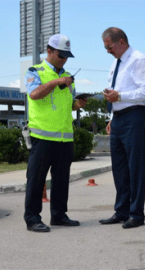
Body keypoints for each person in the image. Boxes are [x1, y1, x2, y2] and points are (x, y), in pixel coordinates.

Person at [24, 34, 87, 233]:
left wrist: (79, 104)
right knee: (36, 179)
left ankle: (59, 215)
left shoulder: (68, 77)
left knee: (61, 180)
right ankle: (32, 218)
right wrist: (56, 82)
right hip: (42, 137)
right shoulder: (36, 71)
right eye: (61, 55)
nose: (64, 59)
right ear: (49, 51)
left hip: (64, 138)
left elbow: (67, 105)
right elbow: (34, 95)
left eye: (67, 56)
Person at [99, 27, 145, 229]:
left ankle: (136, 214)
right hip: (119, 118)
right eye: (105, 47)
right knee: (119, 168)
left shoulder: (138, 59)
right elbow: (117, 92)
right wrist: (112, 117)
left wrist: (120, 97)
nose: (108, 51)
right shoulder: (115, 63)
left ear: (121, 41)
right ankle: (121, 211)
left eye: (109, 46)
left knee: (135, 168)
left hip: (134, 117)